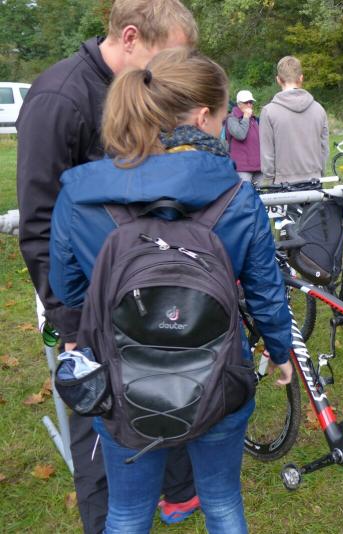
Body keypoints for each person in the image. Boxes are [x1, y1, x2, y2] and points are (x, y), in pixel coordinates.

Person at [48, 47, 293, 534]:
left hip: (118, 378)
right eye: (221, 117)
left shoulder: (80, 192)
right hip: (220, 373)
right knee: (223, 504)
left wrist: (80, 330)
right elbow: (266, 291)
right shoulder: (237, 195)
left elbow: (67, 286)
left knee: (125, 513)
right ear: (203, 117)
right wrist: (281, 351)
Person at [15, 1, 199, 530]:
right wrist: (71, 322)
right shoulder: (60, 98)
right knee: (96, 419)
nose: (174, 73)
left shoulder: (149, 89)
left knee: (161, 394)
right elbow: (39, 224)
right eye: (169, 57)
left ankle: (174, 491)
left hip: (147, 289)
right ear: (132, 37)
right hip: (85, 305)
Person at [259, 56, 329, 184]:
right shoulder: (319, 109)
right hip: (314, 182)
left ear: (278, 80)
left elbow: (267, 153)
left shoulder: (269, 112)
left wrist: (269, 177)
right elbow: (324, 149)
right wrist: (320, 173)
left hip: (283, 184)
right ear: (301, 78)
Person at [226, 89, 265, 186]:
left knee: (261, 194)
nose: (249, 105)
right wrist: (246, 117)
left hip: (258, 166)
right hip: (242, 168)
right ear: (239, 104)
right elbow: (240, 135)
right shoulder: (232, 118)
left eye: (251, 102)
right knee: (245, 193)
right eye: (246, 102)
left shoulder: (254, 119)